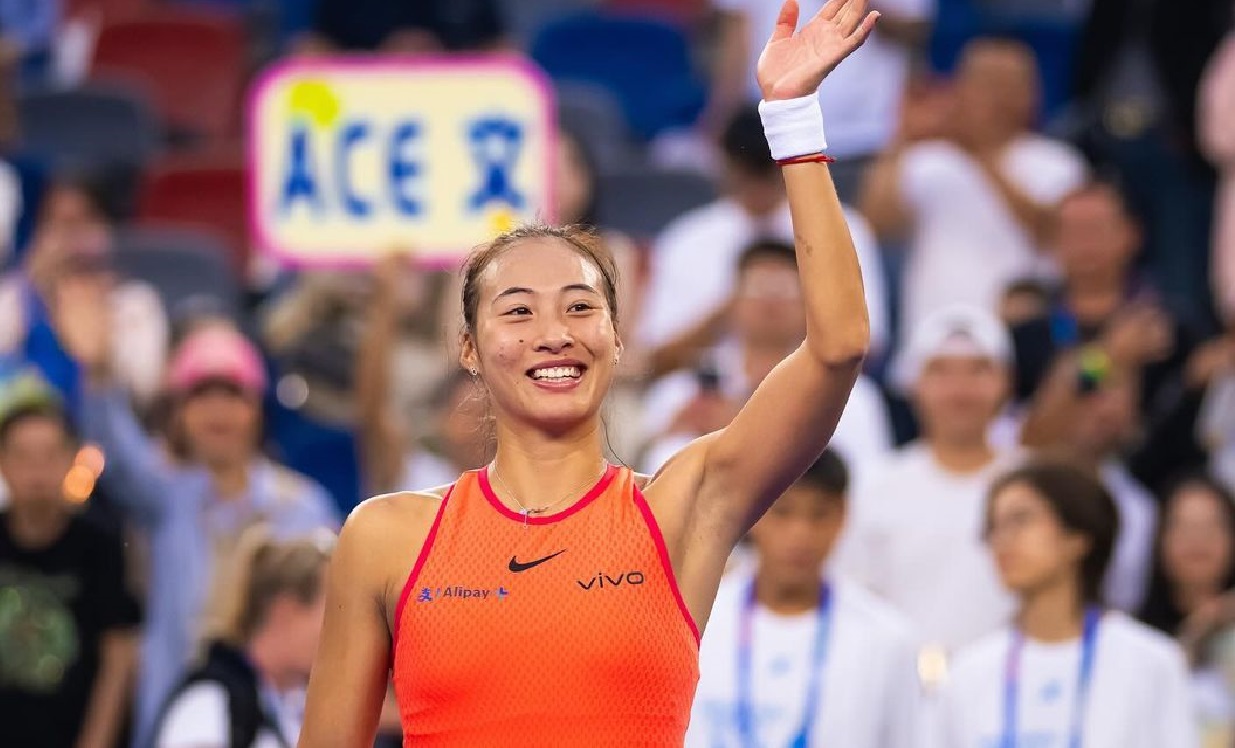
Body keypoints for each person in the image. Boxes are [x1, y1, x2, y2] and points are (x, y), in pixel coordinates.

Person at [298, 1, 878, 744]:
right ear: (467, 348)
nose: (552, 336)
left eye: (579, 307)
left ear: (617, 339)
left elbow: (837, 346)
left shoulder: (681, 509)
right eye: (517, 312)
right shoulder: (383, 538)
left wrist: (791, 120)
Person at [52, 289, 339, 745]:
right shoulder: (166, 494)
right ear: (179, 413)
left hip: (275, 725)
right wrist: (101, 369)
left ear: (257, 410)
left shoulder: (303, 507)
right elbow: (116, 449)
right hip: (171, 722)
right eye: (200, 395)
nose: (217, 410)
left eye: (233, 394)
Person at [938, 459, 1198, 747]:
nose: (1003, 540)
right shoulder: (968, 672)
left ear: (1077, 536)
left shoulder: (1150, 662)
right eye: (993, 528)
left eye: (1020, 520)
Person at [686, 449, 918, 748]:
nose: (800, 534)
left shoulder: (887, 639)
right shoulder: (695, 620)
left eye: (819, 515)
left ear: (843, 516)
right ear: (753, 513)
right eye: (783, 512)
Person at [861, 37, 1088, 341]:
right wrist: (902, 137)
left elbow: (1049, 233)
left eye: (1005, 83)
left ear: (1031, 92)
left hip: (1023, 339)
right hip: (933, 339)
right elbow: (875, 224)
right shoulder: (929, 159)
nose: (994, 97)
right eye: (983, 82)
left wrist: (977, 151)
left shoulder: (1058, 162)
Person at [638, 103, 889, 364]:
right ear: (727, 166)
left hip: (817, 381)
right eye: (748, 174)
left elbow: (869, 344)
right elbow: (656, 358)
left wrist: (786, 309)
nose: (758, 188)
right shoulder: (688, 238)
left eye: (768, 171)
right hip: (712, 385)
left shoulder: (841, 226)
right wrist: (737, 308)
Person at [836, 304, 1018, 658]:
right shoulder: (872, 486)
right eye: (941, 372)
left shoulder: (1035, 484)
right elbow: (852, 604)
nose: (960, 390)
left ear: (1006, 383)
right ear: (913, 384)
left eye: (979, 371)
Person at [640, 239, 892, 481]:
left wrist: (737, 428)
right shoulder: (683, 389)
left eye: (785, 287)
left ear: (809, 302)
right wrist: (669, 434)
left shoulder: (852, 396)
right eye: (758, 286)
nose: (771, 300)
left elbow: (863, 483)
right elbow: (645, 476)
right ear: (731, 302)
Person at [0, 373, 140, 748]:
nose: (36, 471)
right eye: (22, 456)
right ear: (3, 462)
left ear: (70, 459)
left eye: (49, 455)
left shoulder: (100, 542)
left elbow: (119, 654)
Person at [707, 0, 932, 202]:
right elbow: (734, 40)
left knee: (857, 242)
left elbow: (915, 30)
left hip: (870, 138)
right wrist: (723, 118)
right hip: (777, 136)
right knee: (788, 239)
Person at [151, 527, 333, 748]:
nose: (343, 636)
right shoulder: (210, 702)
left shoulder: (288, 708)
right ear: (286, 610)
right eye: (333, 615)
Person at [0, 175, 168, 411]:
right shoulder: (13, 296)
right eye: (57, 223)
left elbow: (144, 393)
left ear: (106, 228)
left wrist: (100, 360)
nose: (68, 237)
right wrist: (32, 287)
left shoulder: (134, 302)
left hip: (108, 436)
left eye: (80, 221)